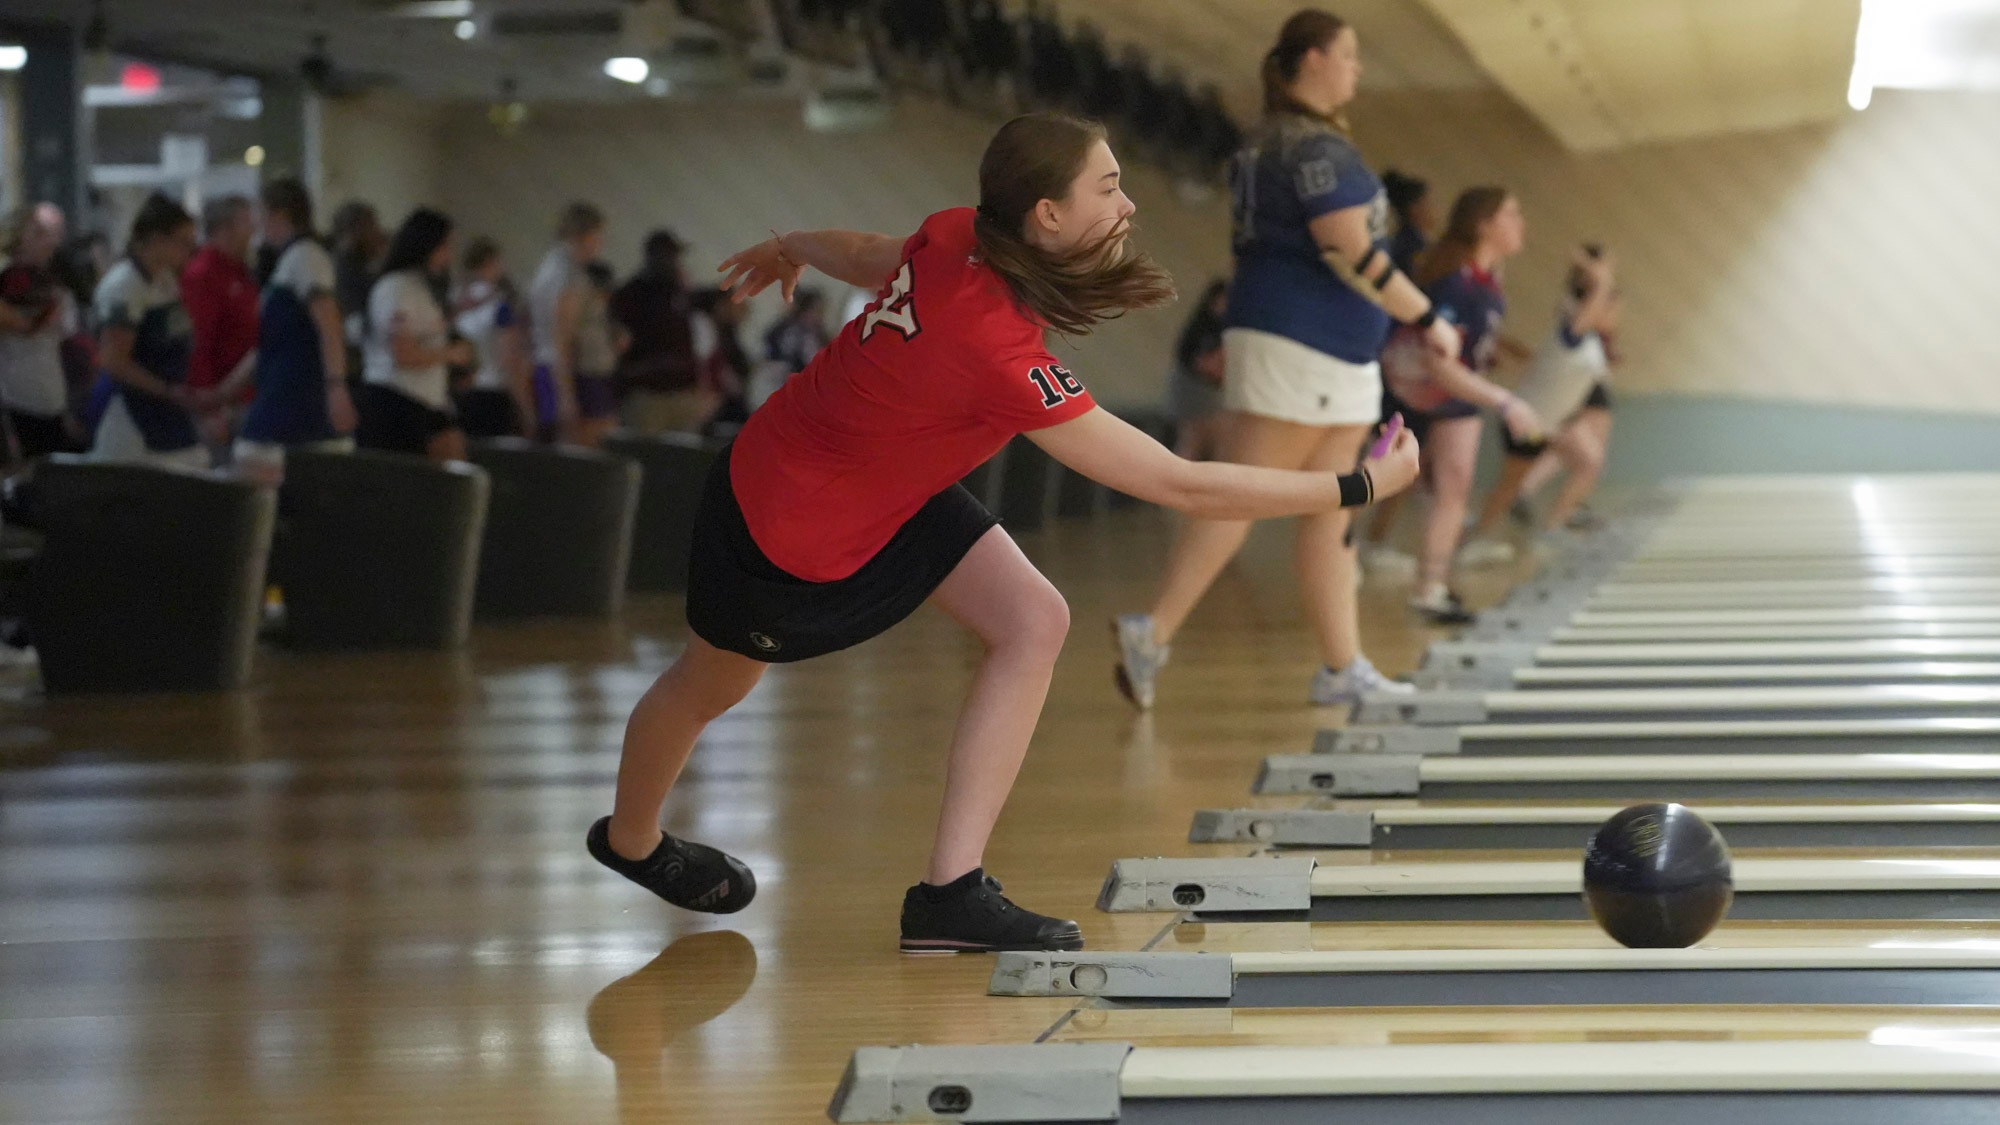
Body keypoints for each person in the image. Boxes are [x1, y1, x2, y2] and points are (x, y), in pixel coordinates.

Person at [585, 112, 1420, 954]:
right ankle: (630, 840)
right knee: (708, 686)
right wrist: (1355, 484)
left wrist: (793, 244)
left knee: (1033, 618)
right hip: (783, 523)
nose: (1128, 204)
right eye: (1109, 186)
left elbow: (873, 250)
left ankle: (949, 893)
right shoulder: (996, 354)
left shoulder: (959, 237)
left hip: (889, 489)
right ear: (1047, 216)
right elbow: (1181, 481)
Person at [1112, 9, 1459, 712]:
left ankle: (1341, 666)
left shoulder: (1275, 140)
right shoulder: (1311, 147)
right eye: (1349, 55)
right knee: (1245, 492)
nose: (1357, 69)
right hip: (1306, 345)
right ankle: (1152, 630)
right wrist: (1426, 317)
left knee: (1334, 509)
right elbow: (1347, 248)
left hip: (1322, 349)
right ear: (1311, 60)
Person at [1378, 186, 1541, 623]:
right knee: (1388, 481)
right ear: (1484, 225)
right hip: (1420, 391)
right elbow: (1439, 364)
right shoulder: (1457, 282)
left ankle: (1431, 585)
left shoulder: (1488, 282)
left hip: (1457, 394)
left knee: (1453, 486)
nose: (1520, 223)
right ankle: (1379, 559)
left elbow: (1468, 350)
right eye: (1511, 213)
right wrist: (1505, 401)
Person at [1470, 245, 1622, 539]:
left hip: (1550, 421)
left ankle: (1552, 527)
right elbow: (1597, 292)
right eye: (1609, 307)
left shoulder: (1584, 342)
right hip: (1529, 421)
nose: (1614, 313)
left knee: (1589, 461)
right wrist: (1599, 274)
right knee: (1509, 487)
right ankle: (1476, 539)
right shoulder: (1572, 337)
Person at [232, 178, 355, 481]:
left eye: (261, 213)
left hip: (295, 397)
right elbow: (268, 346)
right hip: (283, 391)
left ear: (279, 214)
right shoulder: (289, 261)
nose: (257, 223)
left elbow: (329, 324)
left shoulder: (306, 257)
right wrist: (222, 393)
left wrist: (336, 386)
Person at [87, 193, 207, 470]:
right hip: (132, 414)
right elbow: (114, 360)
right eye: (183, 242)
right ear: (155, 239)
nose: (190, 251)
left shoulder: (164, 280)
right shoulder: (125, 287)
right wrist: (167, 390)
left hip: (167, 410)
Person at [357, 208, 472, 461]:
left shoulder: (419, 287)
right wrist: (451, 354)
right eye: (446, 247)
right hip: (397, 400)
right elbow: (403, 353)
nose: (449, 256)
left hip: (426, 399)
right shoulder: (397, 288)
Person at [0, 206, 82, 461]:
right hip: (14, 405)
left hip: (52, 402)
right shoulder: (6, 284)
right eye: (37, 234)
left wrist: (68, 410)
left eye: (51, 235)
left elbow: (62, 351)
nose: (48, 243)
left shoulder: (57, 289)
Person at [181, 195, 261, 454]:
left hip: (245, 398)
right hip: (222, 405)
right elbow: (197, 342)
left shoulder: (241, 272)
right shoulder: (203, 275)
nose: (253, 231)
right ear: (224, 229)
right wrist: (208, 409)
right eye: (246, 223)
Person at [528, 202, 608, 444]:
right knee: (585, 450)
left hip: (550, 368)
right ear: (584, 235)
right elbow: (562, 336)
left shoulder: (549, 268)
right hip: (573, 374)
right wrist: (567, 396)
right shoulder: (567, 274)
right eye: (598, 236)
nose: (600, 243)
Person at [610, 229, 703, 434]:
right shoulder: (632, 293)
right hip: (647, 394)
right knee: (648, 455)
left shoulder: (678, 291)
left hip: (681, 391)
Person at [451, 238, 533, 439]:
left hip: (460, 391)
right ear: (491, 262)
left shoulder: (453, 302)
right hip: (493, 390)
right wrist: (525, 406)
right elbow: (510, 357)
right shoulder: (499, 306)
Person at [1165, 279, 1228, 460]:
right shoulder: (1206, 329)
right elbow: (1203, 364)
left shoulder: (1215, 329)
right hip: (1197, 390)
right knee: (1192, 443)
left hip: (1207, 393)